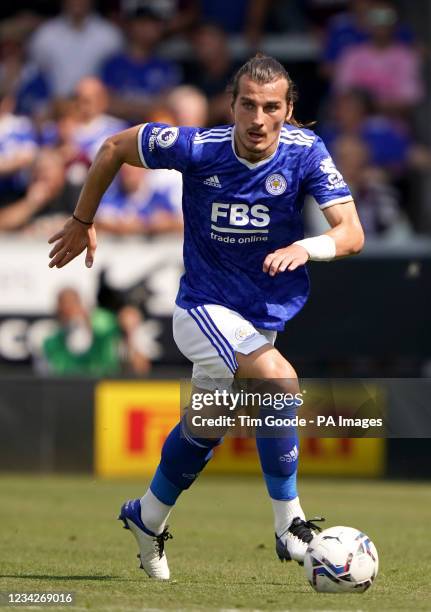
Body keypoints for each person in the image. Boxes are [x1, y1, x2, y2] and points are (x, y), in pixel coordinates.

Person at [47, 54, 364, 580]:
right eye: (247, 105)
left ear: (288, 110)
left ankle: (147, 517)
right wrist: (83, 218)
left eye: (270, 107)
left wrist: (308, 248)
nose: (258, 119)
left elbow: (351, 233)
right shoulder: (196, 147)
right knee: (280, 379)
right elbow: (111, 147)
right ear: (231, 105)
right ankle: (290, 525)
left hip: (258, 317)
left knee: (206, 427)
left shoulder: (306, 152)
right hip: (202, 309)